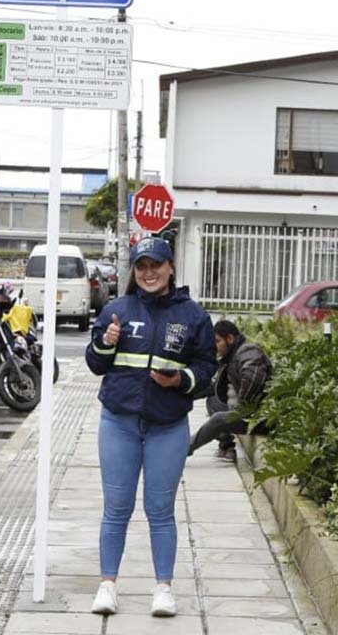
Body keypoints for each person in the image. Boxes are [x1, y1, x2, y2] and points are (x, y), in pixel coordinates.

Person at [84, 237, 216, 619]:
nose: (148, 273)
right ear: (134, 271)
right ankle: (107, 585)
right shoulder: (116, 310)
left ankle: (164, 589)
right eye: (141, 266)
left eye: (155, 265)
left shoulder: (193, 316)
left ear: (170, 267)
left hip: (168, 427)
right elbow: (95, 364)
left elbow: (207, 371)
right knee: (116, 509)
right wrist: (106, 342)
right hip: (119, 424)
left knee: (160, 511)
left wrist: (180, 381)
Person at [188, 321, 273, 461]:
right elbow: (213, 386)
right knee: (213, 401)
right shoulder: (230, 357)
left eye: (217, 341)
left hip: (258, 418)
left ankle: (183, 449)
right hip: (247, 412)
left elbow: (254, 378)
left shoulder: (248, 351)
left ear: (230, 338)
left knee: (219, 419)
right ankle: (226, 447)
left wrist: (241, 408)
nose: (215, 346)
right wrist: (184, 394)